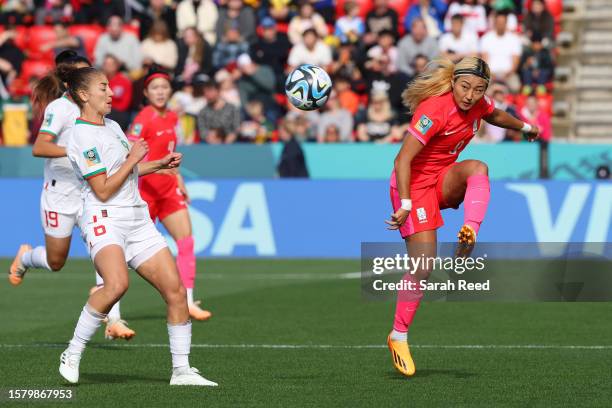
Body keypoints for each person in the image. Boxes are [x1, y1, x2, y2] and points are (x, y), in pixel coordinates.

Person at [61, 66, 216, 386]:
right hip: (104, 219)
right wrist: (133, 159)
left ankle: (181, 371)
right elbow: (102, 188)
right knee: (116, 285)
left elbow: (128, 171)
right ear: (83, 95)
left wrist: (158, 164)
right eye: (103, 88)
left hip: (137, 219)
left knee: (175, 292)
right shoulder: (81, 135)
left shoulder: (114, 127)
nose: (110, 92)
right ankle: (73, 351)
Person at [385, 57, 539, 377]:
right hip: (412, 187)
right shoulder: (433, 110)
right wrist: (406, 204)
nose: (470, 95)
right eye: (465, 87)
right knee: (424, 266)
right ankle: (398, 336)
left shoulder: (479, 104)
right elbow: (402, 160)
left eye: (478, 89)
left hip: (441, 180)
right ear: (454, 82)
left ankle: (469, 230)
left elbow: (494, 114)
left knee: (478, 167)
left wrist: (525, 127)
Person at [9, 50, 136, 340]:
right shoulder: (60, 108)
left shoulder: (97, 111)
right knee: (56, 261)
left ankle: (113, 320)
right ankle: (27, 258)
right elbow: (40, 147)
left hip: (90, 192)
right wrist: (76, 151)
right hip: (60, 194)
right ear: (72, 84)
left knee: (106, 249)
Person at [127, 69, 212, 320]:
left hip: (168, 190)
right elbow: (129, 150)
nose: (160, 92)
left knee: (186, 241)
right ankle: (110, 307)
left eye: (164, 87)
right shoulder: (144, 118)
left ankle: (187, 300)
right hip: (145, 192)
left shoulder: (172, 117)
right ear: (146, 93)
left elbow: (170, 154)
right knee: (128, 252)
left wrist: (179, 179)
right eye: (155, 88)